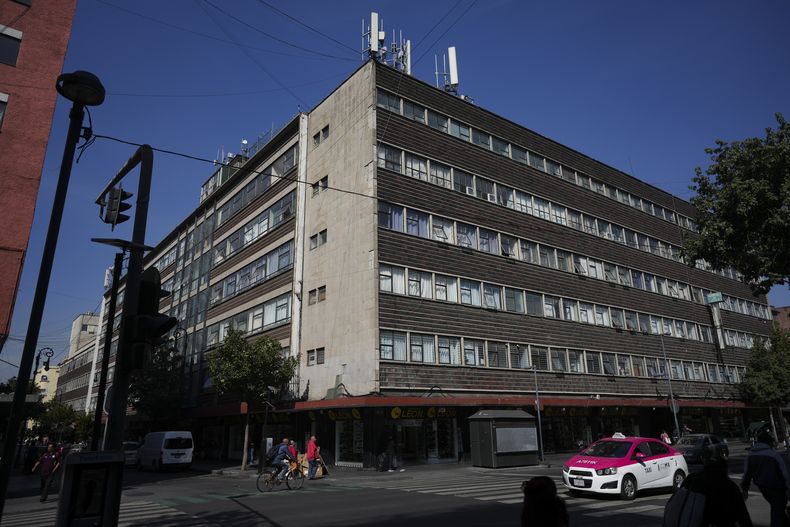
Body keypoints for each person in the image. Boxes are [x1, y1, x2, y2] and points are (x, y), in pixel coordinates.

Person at [676, 456, 753, 527]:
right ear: (725, 470)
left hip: (685, 521)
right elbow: (743, 517)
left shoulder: (691, 479)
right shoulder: (728, 485)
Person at [741, 430, 790, 527]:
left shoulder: (750, 455)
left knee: (778, 509)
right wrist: (788, 488)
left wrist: (745, 489)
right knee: (777, 512)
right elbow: (785, 473)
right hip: (777, 488)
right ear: (769, 442)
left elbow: (746, 474)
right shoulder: (773, 454)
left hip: (763, 488)